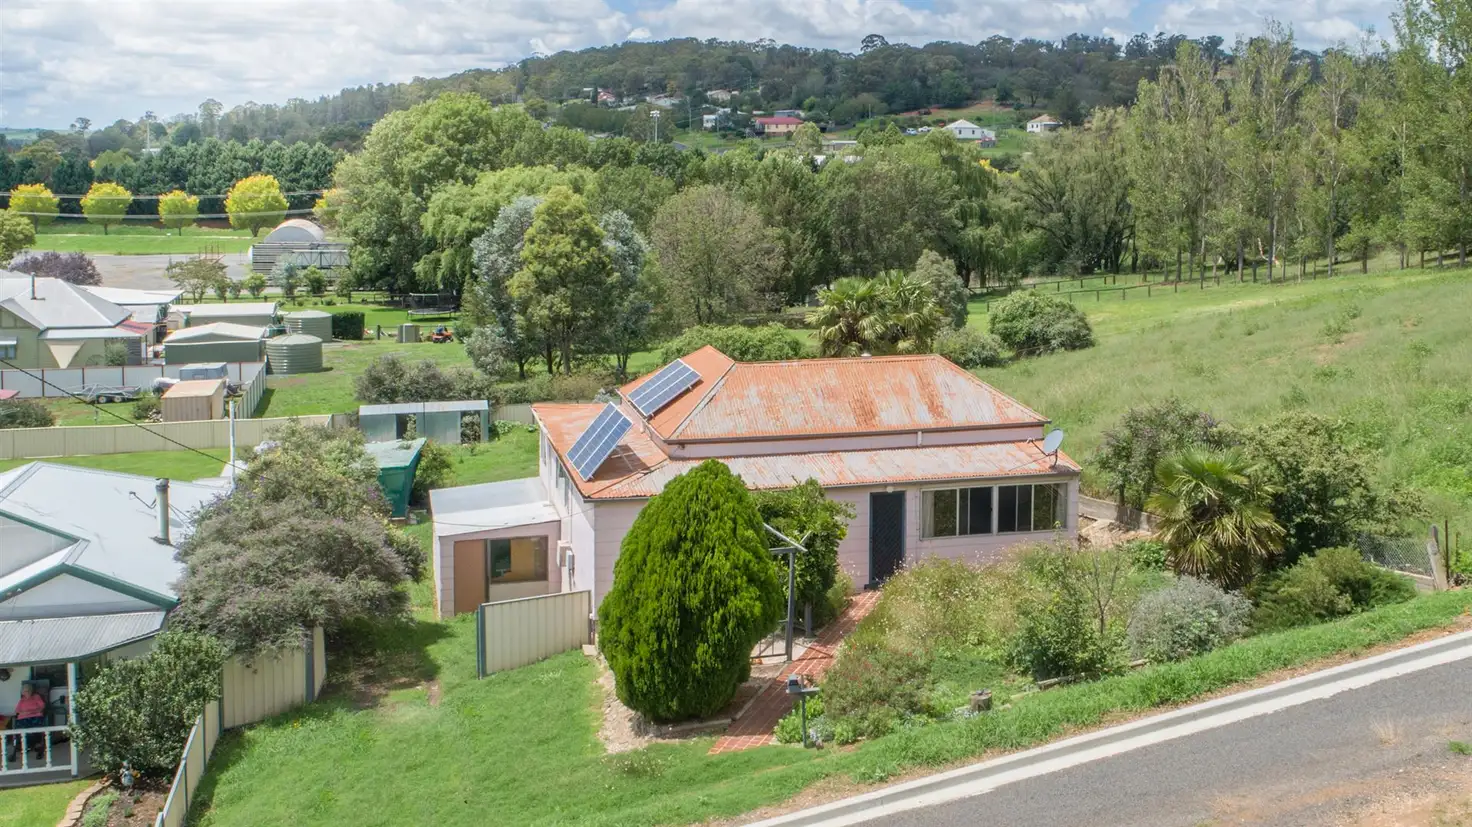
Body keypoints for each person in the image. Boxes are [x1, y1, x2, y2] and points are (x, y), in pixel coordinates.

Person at [7, 683, 48, 762]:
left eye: (28, 690)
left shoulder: (36, 697)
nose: (27, 692)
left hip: (35, 717)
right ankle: (19, 748)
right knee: (20, 730)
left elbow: (42, 707)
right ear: (22, 692)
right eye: (25, 691)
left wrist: (29, 712)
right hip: (23, 718)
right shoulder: (22, 700)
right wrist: (24, 713)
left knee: (34, 729)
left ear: (31, 691)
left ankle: (37, 745)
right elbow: (17, 711)